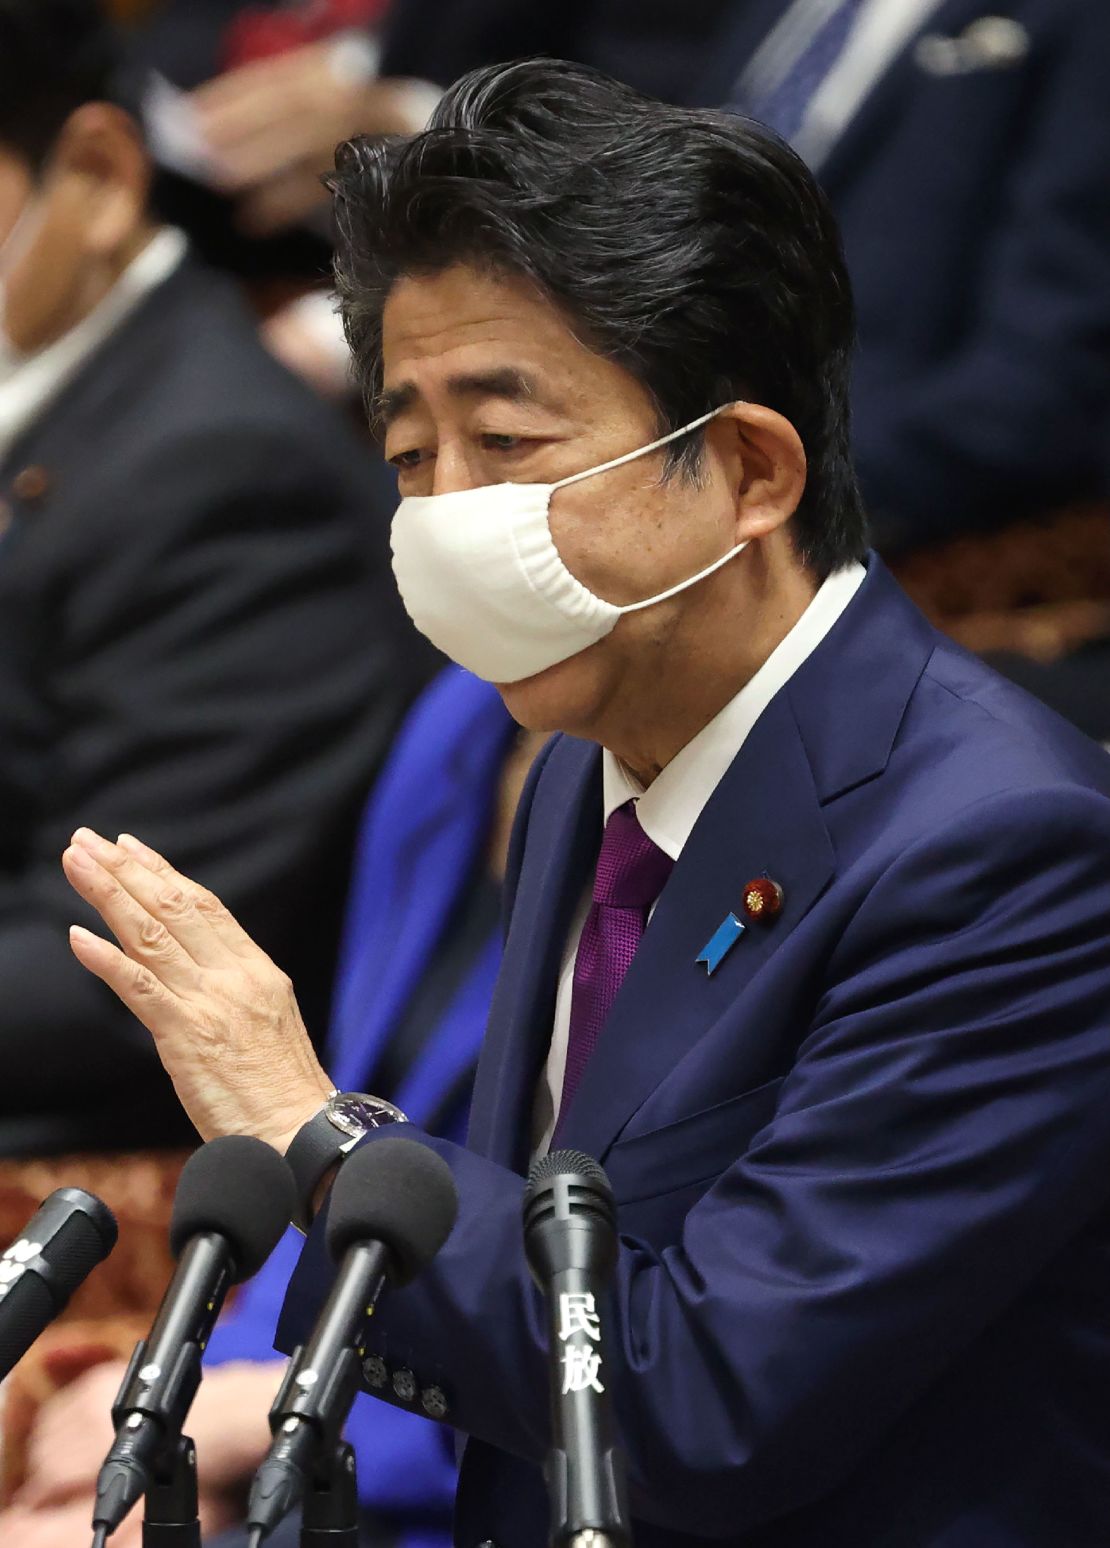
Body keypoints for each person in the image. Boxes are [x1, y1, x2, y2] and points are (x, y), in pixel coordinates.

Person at [60, 59, 1110, 1548]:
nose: (442, 519)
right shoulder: (580, 763)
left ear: (745, 469)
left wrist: (314, 1128)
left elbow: (703, 1399)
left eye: (505, 444)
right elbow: (546, 1307)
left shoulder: (1012, 853)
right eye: (410, 455)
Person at [0, 0, 419, 1155]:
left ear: (93, 174)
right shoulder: (62, 397)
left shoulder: (222, 476)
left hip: (114, 1157)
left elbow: (118, 967)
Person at [3, 667, 532, 1547]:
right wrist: (202, 1403)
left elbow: (646, 1341)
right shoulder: (460, 722)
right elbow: (363, 1142)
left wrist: (279, 1415)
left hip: (480, 1465)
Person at [695, 0, 1110, 554]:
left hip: (875, 527)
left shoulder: (1077, 21)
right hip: (669, 452)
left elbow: (1046, 371)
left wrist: (772, 491)